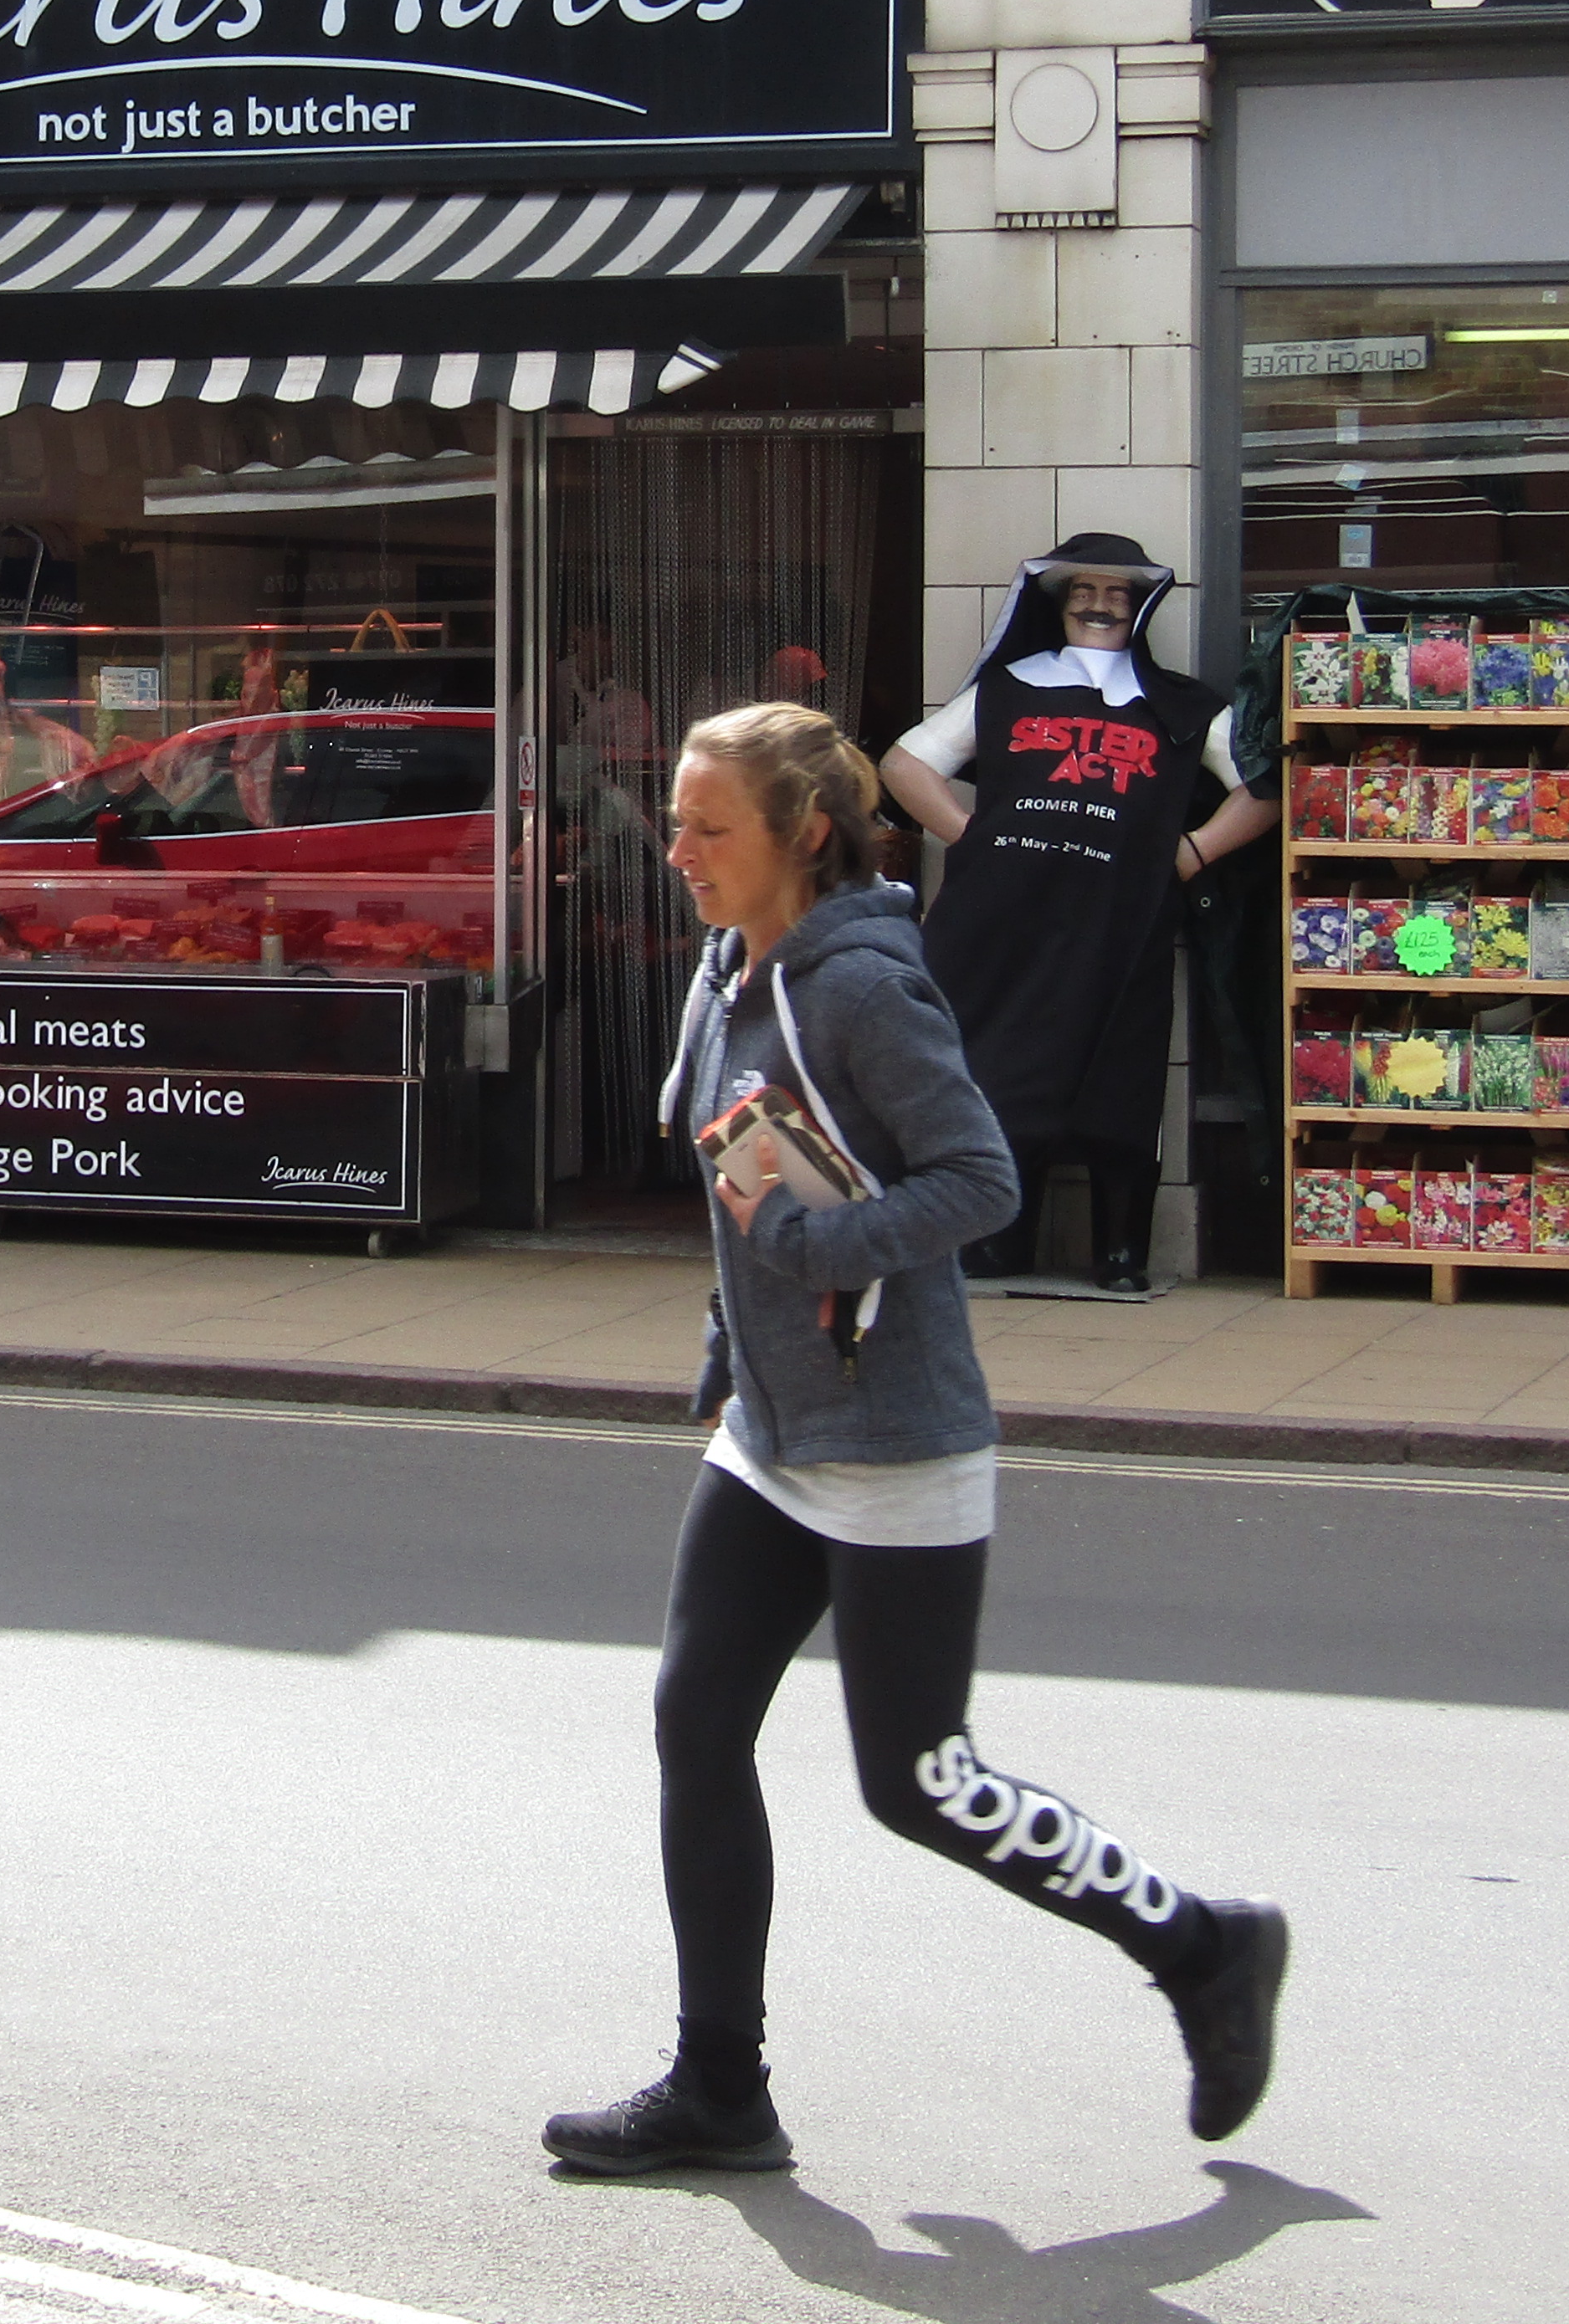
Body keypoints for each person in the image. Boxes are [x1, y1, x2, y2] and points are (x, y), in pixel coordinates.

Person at [541, 703, 1285, 2179]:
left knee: (918, 1779)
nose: (675, 851)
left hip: (890, 1434)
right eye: (675, 818)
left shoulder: (865, 983)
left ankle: (1204, 1943)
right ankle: (719, 2083)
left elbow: (978, 1178)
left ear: (800, 833)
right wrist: (733, 1328)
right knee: (695, 1723)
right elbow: (732, 1164)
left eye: (707, 827)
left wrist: (818, 1246)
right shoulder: (724, 959)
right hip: (775, 1422)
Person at [882, 533, 1277, 1300]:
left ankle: (1121, 1248)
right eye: (1082, 592)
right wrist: (974, 837)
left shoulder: (1186, 706)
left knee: (1120, 1078)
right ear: (1057, 604)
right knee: (998, 1070)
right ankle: (999, 1241)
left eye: (1116, 593)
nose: (1098, 605)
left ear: (1142, 606)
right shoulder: (1004, 688)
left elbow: (1263, 788)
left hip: (1119, 927)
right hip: (1002, 925)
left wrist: (1192, 852)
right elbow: (904, 763)